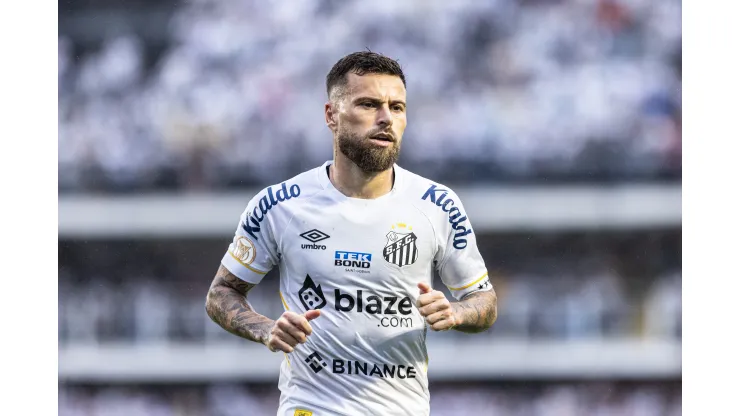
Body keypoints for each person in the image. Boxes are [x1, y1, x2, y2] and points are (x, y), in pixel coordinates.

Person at [205, 51, 497, 416]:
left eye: (397, 107)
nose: (386, 118)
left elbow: (484, 302)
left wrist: (456, 312)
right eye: (369, 104)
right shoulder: (280, 205)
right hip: (310, 408)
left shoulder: (437, 204)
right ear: (331, 115)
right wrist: (266, 329)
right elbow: (221, 292)